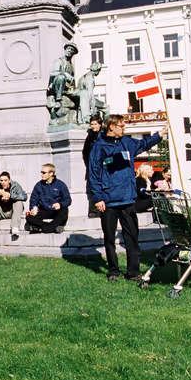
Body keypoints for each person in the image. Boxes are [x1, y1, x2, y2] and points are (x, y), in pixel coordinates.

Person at [89, 114, 164, 282]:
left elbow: (144, 144)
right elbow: (94, 174)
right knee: (109, 238)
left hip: (128, 200)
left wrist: (159, 135)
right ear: (111, 127)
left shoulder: (128, 143)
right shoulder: (98, 147)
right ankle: (113, 271)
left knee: (132, 238)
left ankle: (133, 272)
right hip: (108, 201)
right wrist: (98, 198)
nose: (124, 129)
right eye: (121, 126)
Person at [26, 164, 71, 234]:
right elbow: (34, 199)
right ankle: (51, 227)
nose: (42, 175)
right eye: (41, 172)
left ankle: (41, 228)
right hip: (44, 210)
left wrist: (60, 204)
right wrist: (32, 208)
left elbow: (68, 200)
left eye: (44, 173)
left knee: (64, 211)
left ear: (51, 174)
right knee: (29, 217)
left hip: (56, 211)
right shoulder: (38, 185)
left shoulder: (60, 184)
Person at [0, 171, 28, 238]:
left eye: (5, 180)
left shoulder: (15, 186)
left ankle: (15, 226)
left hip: (12, 212)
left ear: (9, 180)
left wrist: (10, 196)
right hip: (1, 212)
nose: (3, 182)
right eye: (1, 180)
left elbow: (24, 196)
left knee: (19, 202)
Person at [82, 115, 102, 218]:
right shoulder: (89, 136)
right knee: (92, 188)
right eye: (92, 124)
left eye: (95, 124)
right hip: (92, 167)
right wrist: (89, 163)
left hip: (102, 166)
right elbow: (85, 152)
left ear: (100, 124)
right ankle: (94, 209)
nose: (93, 126)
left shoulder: (103, 135)